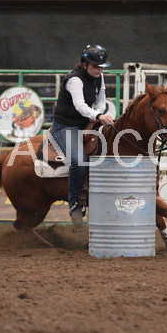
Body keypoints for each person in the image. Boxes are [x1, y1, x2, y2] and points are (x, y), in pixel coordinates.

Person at [52, 44, 115, 226]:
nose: (99, 70)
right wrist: (98, 116)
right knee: (78, 161)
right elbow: (80, 105)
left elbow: (101, 101)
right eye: (96, 66)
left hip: (86, 123)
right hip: (65, 126)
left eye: (101, 67)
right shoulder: (74, 80)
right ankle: (74, 205)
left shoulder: (99, 77)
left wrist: (97, 115)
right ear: (85, 64)